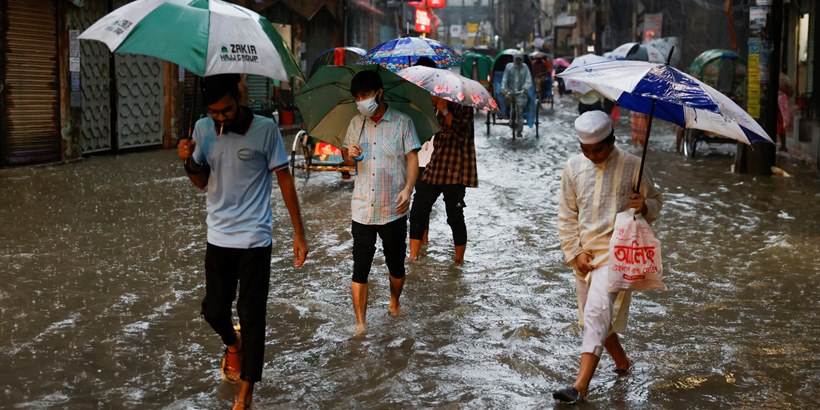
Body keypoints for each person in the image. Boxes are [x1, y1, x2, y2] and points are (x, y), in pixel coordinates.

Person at [177, 73, 308, 410]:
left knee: (252, 315)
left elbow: (285, 181)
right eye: (215, 112)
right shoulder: (203, 128)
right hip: (218, 235)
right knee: (214, 310)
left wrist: (298, 232)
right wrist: (188, 160)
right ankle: (231, 343)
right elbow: (200, 182)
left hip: (254, 237)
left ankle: (246, 392)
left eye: (227, 110)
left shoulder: (266, 130)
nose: (221, 118)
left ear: (239, 95)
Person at [554, 110, 663, 404]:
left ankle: (579, 386)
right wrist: (574, 253)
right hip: (585, 257)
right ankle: (623, 363)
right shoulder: (573, 168)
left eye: (597, 150)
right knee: (595, 320)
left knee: (595, 314)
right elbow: (567, 216)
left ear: (612, 141)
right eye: (585, 150)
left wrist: (644, 205)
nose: (591, 155)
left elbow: (656, 201)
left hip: (618, 256)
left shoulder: (634, 166)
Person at [342, 70, 421, 335]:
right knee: (360, 267)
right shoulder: (356, 124)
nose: (361, 101)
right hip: (362, 207)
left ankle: (394, 302)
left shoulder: (402, 122)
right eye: (357, 97)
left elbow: (412, 158)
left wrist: (409, 189)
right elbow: (347, 161)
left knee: (396, 266)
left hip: (393, 208)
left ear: (379, 93)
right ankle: (361, 324)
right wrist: (350, 155)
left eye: (365, 95)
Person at [408, 79, 477, 264]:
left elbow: (460, 133)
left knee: (454, 216)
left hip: (456, 169)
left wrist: (445, 109)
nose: (429, 96)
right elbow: (428, 135)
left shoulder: (464, 107)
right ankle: (413, 258)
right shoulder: (435, 109)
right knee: (417, 211)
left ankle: (458, 261)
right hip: (436, 166)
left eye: (431, 93)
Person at [501, 53, 532, 138]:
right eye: (516, 59)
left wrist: (526, 87)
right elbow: (505, 78)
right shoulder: (509, 67)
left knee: (520, 112)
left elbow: (528, 79)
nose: (518, 61)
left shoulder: (525, 67)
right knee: (507, 99)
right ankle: (507, 113)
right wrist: (503, 88)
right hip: (510, 92)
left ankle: (519, 130)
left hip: (521, 93)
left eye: (519, 59)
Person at [777, 72, 794, 152]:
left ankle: (783, 146)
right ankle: (783, 145)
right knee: (781, 127)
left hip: (779, 106)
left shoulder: (780, 78)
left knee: (780, 126)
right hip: (782, 106)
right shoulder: (785, 78)